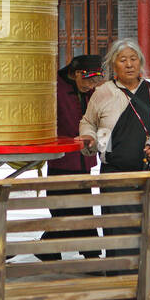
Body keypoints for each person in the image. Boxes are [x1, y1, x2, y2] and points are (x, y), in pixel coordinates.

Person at [78, 39, 150, 272]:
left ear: (140, 63)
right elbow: (89, 123)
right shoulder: (102, 93)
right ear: (113, 64)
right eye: (123, 60)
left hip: (148, 174)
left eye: (133, 59)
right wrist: (92, 141)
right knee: (117, 225)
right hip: (115, 175)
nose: (129, 65)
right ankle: (119, 270)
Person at [38, 54, 105, 262]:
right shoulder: (54, 89)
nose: (92, 86)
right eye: (89, 80)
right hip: (61, 158)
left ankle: (50, 248)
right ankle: (88, 252)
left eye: (95, 81)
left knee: (81, 205)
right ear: (77, 74)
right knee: (64, 207)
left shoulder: (89, 91)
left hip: (83, 158)